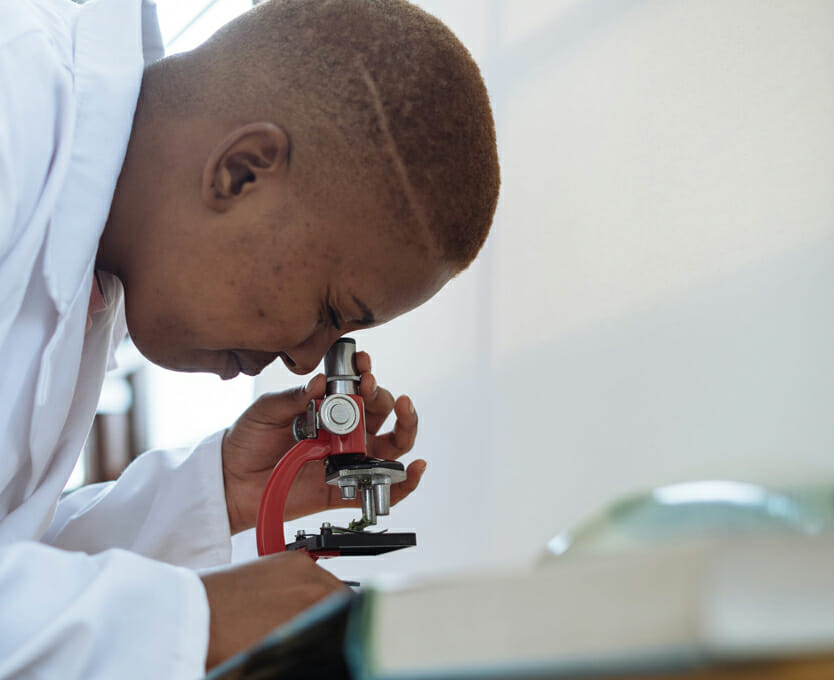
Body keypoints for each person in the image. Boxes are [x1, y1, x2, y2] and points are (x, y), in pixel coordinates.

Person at [0, 0, 499, 676]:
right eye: (329, 307)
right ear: (241, 172)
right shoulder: (14, 111)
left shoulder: (96, 249)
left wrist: (216, 491)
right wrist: (190, 618)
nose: (302, 356)